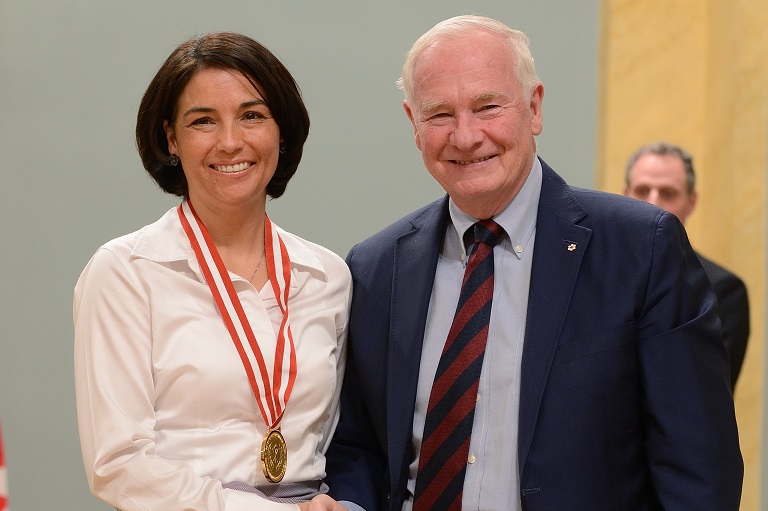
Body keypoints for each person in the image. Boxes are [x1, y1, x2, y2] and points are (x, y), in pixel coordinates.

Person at [323, 15, 743, 511]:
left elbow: (698, 470)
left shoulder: (641, 249)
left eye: (487, 107)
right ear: (413, 124)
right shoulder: (376, 269)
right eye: (439, 114)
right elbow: (359, 449)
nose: (465, 136)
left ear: (535, 107)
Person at [74, 32, 351, 511]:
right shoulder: (125, 273)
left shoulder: (327, 276)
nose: (230, 142)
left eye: (252, 116)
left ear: (280, 132)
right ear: (170, 138)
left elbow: (333, 441)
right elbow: (118, 466)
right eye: (203, 121)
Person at [624, 141, 750, 390]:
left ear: (691, 203)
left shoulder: (722, 290)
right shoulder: (596, 275)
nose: (652, 203)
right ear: (624, 194)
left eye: (667, 194)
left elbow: (704, 393)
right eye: (642, 190)